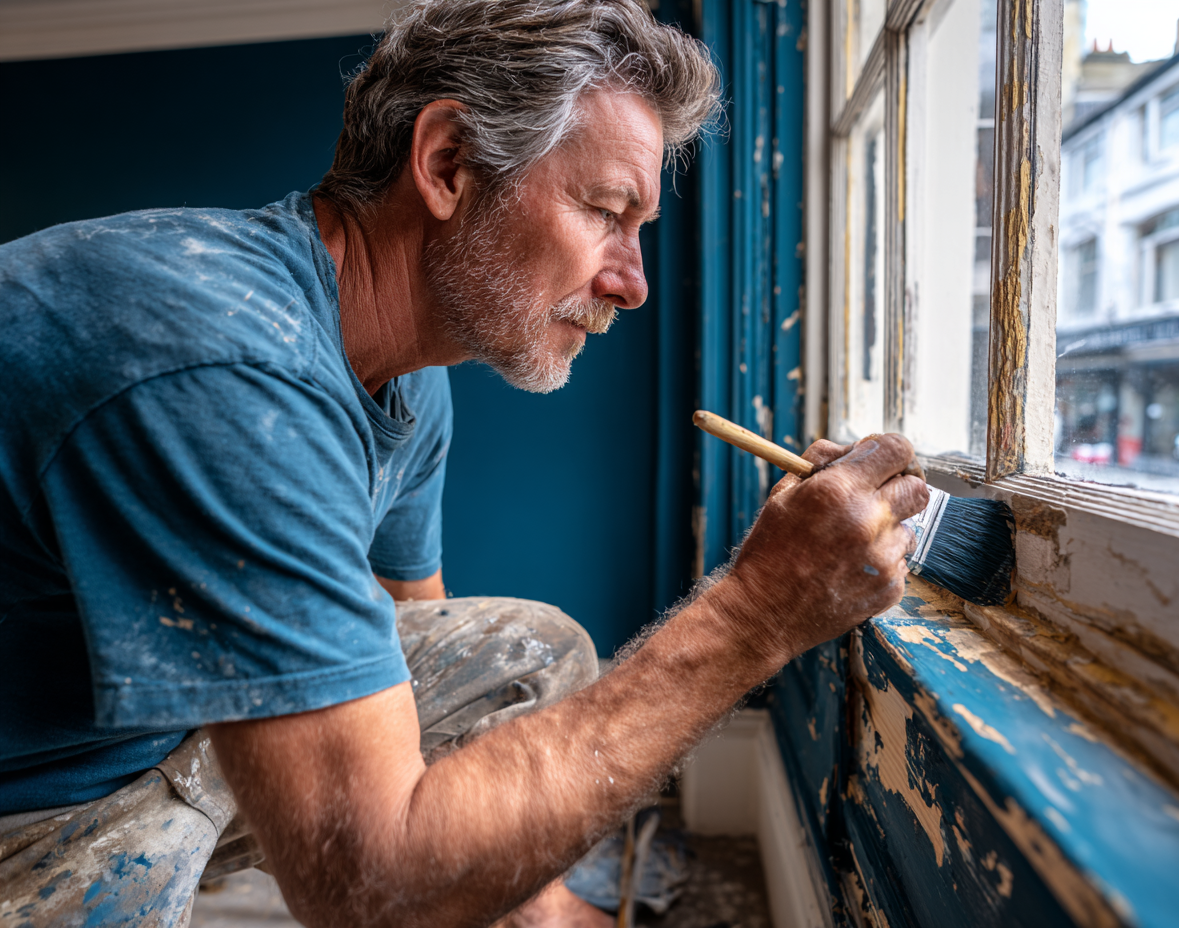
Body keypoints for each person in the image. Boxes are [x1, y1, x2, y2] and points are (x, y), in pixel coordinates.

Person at [0, 1, 929, 925]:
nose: (633, 283)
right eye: (606, 212)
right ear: (448, 164)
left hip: (130, 726)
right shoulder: (224, 370)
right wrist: (757, 612)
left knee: (524, 659)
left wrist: (537, 908)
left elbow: (426, 677)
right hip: (38, 800)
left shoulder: (402, 374)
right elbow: (370, 887)